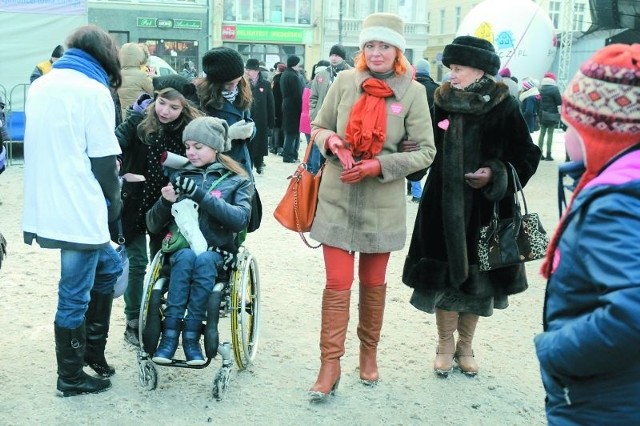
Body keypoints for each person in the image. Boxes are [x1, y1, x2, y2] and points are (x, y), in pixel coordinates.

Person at [308, 12, 436, 401]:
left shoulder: (412, 92)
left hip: (383, 203)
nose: (376, 53)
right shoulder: (345, 81)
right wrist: (331, 142)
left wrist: (382, 163)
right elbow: (318, 126)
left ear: (397, 50)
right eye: (369, 45)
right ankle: (329, 364)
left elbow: (427, 151)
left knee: (373, 284)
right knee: (336, 283)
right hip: (336, 196)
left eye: (384, 45)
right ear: (361, 50)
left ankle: (369, 353)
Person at [402, 35, 541, 379]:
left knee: (479, 281)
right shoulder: (441, 101)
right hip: (441, 205)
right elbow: (427, 148)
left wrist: (495, 173)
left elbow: (526, 154)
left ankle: (466, 345)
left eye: (458, 68)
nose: (451, 74)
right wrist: (411, 150)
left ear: (480, 70)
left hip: (486, 209)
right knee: (444, 278)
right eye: (450, 67)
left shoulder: (504, 105)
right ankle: (444, 345)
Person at [535, 43, 640, 425]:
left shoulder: (616, 204)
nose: (567, 135)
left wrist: (555, 351)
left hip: (605, 400)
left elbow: (633, 312)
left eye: (571, 125)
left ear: (602, 133)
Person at [22, 25, 123, 397]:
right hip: (79, 203)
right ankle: (71, 376)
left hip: (47, 199)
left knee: (108, 269)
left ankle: (90, 353)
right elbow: (103, 159)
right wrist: (115, 201)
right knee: (74, 292)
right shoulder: (92, 90)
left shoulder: (42, 83)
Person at [147, 116, 253, 365]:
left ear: (215, 147)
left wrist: (201, 195)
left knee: (204, 260)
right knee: (184, 257)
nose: (190, 152)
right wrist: (165, 202)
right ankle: (170, 337)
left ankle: (192, 337)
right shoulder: (180, 175)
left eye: (198, 147)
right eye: (187, 147)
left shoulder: (237, 180)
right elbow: (152, 225)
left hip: (218, 252)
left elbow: (239, 220)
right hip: (182, 250)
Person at [116, 75, 202, 346]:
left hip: (165, 207)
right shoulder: (136, 122)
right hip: (132, 202)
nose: (165, 111)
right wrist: (119, 169)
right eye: (162, 103)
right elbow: (111, 146)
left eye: (174, 107)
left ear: (184, 109)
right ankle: (133, 320)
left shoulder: (190, 130)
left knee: (161, 262)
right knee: (137, 263)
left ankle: (154, 313)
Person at [195, 47, 255, 175]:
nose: (233, 87)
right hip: (219, 169)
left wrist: (250, 131)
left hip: (242, 165)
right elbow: (196, 140)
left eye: (237, 81)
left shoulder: (241, 92)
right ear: (214, 82)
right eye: (228, 84)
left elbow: (248, 120)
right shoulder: (199, 99)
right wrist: (229, 135)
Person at [407, 58, 439, 203]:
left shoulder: (409, 87)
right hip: (430, 130)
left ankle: (412, 188)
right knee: (422, 157)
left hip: (410, 130)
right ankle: (417, 193)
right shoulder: (436, 89)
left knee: (412, 155)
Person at [245, 58, 275, 175]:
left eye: (250, 70)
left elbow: (270, 104)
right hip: (247, 119)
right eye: (246, 69)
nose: (247, 72)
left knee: (260, 144)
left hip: (261, 119)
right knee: (249, 145)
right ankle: (249, 165)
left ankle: (259, 164)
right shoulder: (243, 84)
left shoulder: (265, 84)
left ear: (257, 71)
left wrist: (271, 123)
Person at [117, 42, 154, 120]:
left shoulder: (118, 75)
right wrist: (152, 76)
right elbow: (154, 92)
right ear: (139, 56)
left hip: (125, 115)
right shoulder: (142, 76)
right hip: (140, 114)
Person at [280, 55, 304, 163]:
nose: (299, 65)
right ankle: (289, 155)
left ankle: (291, 154)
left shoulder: (284, 74)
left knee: (290, 130)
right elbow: (298, 94)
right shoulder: (294, 76)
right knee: (292, 132)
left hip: (286, 104)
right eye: (298, 63)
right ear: (295, 63)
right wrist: (302, 108)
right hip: (294, 106)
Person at [537, 72, 562, 161]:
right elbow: (559, 102)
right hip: (552, 114)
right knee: (550, 134)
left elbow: (538, 101)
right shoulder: (555, 89)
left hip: (542, 114)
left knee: (542, 133)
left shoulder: (540, 88)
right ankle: (548, 155)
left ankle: (539, 154)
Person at [270, 62, 286, 155]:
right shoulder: (284, 78)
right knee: (281, 127)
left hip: (276, 105)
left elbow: (273, 94)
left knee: (276, 127)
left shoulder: (276, 79)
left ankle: (275, 146)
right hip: (283, 105)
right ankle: (280, 147)